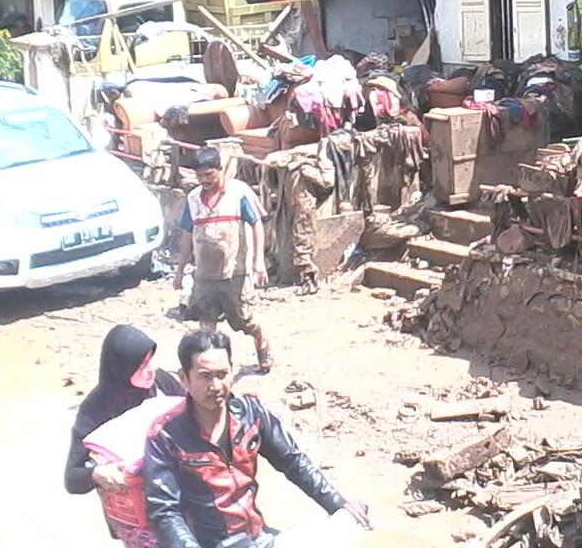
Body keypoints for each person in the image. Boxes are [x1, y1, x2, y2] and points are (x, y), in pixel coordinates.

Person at [144, 329, 370, 548]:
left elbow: (293, 461)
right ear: (184, 378)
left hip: (259, 537)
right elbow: (165, 512)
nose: (215, 386)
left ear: (232, 371)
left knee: (348, 522)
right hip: (211, 544)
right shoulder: (166, 435)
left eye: (222, 374)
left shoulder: (251, 413)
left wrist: (338, 503)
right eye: (204, 377)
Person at [65, 325, 185, 541]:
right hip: (137, 519)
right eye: (141, 366)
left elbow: (194, 412)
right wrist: (96, 474)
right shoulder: (95, 410)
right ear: (121, 369)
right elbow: (72, 477)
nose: (150, 370)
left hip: (179, 500)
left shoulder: (161, 383)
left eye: (150, 361)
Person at [175, 146, 272, 372]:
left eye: (209, 175)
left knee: (244, 321)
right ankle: (217, 366)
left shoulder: (239, 193)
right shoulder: (193, 199)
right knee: (208, 327)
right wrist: (180, 270)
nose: (204, 181)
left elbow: (256, 224)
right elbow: (187, 235)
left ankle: (261, 341)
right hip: (204, 274)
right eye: (199, 176)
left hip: (235, 273)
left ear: (221, 170)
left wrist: (259, 261)